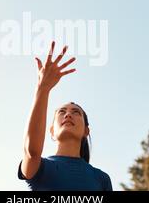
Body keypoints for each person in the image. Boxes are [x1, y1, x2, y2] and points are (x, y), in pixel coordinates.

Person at [18, 41, 112, 191]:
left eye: (76, 112)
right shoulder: (41, 168)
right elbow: (31, 151)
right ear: (52, 131)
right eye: (62, 111)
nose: (68, 114)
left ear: (86, 131)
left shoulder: (101, 179)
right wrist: (43, 88)